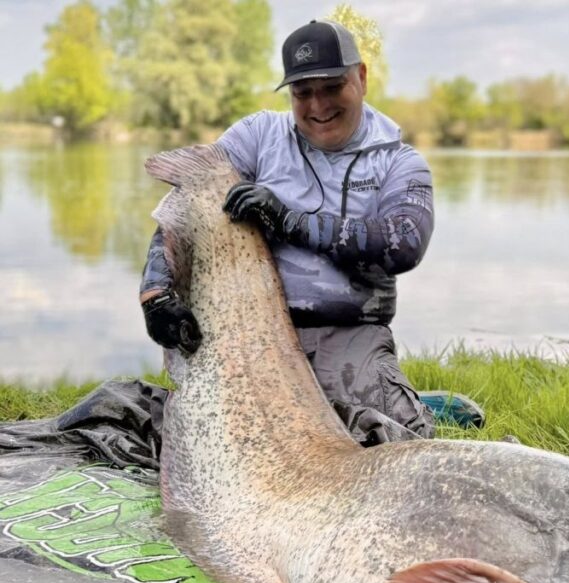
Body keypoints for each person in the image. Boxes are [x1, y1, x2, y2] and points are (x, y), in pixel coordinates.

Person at [139, 19, 469, 445]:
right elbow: (189, 203)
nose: (318, 105)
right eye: (302, 92)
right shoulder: (259, 136)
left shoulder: (399, 161)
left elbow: (404, 244)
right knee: (198, 436)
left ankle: (408, 398)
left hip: (348, 332)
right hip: (249, 333)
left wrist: (291, 221)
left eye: (332, 87)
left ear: (362, 77)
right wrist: (156, 294)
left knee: (395, 440)